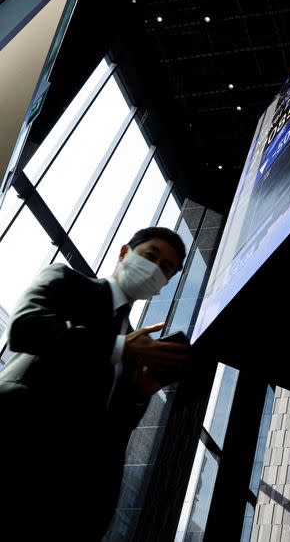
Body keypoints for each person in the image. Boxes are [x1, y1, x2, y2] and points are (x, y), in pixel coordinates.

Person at [0, 227, 191, 540]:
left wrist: (140, 394)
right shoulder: (67, 281)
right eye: (150, 256)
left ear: (165, 284)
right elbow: (24, 329)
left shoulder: (136, 345)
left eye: (166, 268)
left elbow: (112, 429)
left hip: (67, 498)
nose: (155, 269)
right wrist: (117, 347)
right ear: (123, 253)